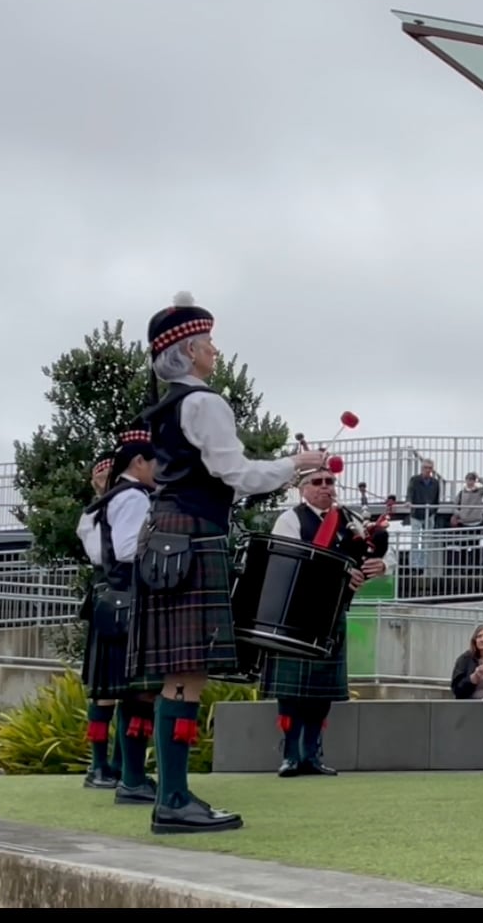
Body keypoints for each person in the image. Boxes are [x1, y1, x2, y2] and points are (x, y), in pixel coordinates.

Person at [129, 291, 325, 835]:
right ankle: (172, 799)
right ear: (189, 350)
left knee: (179, 673)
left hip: (168, 535)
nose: (216, 350)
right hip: (192, 537)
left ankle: (172, 794)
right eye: (209, 341)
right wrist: (295, 465)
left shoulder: (167, 408)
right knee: (186, 674)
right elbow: (236, 474)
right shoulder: (204, 403)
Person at [259, 466, 390, 777]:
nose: (325, 487)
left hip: (333, 613)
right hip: (295, 613)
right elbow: (288, 558)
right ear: (303, 489)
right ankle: (290, 754)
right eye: (316, 482)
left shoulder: (351, 520)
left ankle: (312, 754)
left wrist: (381, 564)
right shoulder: (290, 519)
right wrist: (341, 571)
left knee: (320, 694)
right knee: (290, 694)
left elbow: (385, 553)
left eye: (329, 481)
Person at [76, 431, 158, 804]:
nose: (161, 469)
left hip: (111, 596)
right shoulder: (134, 497)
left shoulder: (103, 504)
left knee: (120, 692)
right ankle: (132, 777)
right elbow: (126, 550)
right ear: (138, 463)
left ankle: (118, 771)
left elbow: (99, 552)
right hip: (131, 596)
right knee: (136, 693)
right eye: (155, 461)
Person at [450, 624, 483, 700]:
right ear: (475, 640)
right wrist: (472, 679)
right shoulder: (465, 659)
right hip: (471, 706)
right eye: (479, 636)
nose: (482, 639)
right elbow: (456, 689)